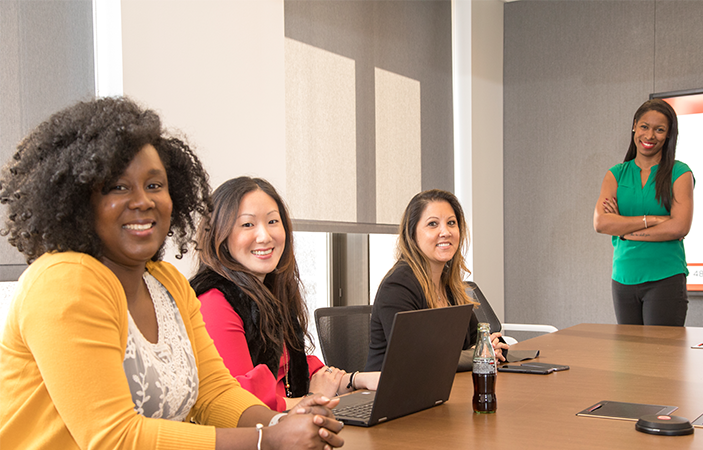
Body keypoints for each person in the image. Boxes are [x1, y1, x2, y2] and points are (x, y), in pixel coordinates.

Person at [0, 97, 343, 450]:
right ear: (78, 199)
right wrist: (265, 440)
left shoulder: (166, 282)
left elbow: (213, 393)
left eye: (154, 185)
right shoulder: (64, 281)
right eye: (118, 187)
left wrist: (282, 421)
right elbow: (114, 438)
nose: (143, 201)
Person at [190, 176, 379, 412]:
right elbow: (242, 405)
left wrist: (355, 380)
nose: (265, 236)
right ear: (220, 235)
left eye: (272, 221)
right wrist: (313, 398)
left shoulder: (269, 292)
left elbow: (290, 367)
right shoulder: (214, 302)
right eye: (247, 224)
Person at [365, 189, 508, 372]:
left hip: (440, 389)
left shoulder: (449, 286)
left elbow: (478, 339)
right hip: (391, 394)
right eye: (433, 224)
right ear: (412, 233)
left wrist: (492, 346)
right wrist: (480, 354)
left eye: (451, 223)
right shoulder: (398, 286)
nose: (445, 232)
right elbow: (415, 357)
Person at [593, 98, 695, 326]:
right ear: (634, 126)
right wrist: (653, 220)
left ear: (668, 135)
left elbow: (679, 227)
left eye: (660, 130)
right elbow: (601, 223)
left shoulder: (679, 173)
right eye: (644, 127)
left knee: (660, 358)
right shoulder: (616, 174)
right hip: (623, 278)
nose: (650, 136)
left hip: (665, 277)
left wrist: (625, 230)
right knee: (629, 358)